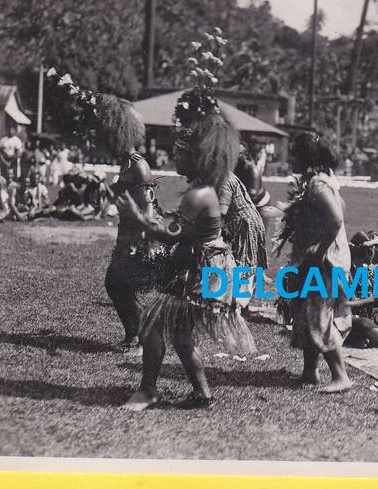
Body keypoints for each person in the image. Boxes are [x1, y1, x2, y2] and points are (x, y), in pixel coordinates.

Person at [117, 113, 257, 411]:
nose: (173, 157)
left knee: (152, 324)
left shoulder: (199, 194)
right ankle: (201, 394)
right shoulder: (203, 190)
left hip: (199, 271)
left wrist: (138, 217)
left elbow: (171, 235)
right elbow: (178, 227)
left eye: (179, 153)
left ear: (197, 157)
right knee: (179, 334)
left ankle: (148, 391)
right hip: (205, 268)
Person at [275, 131, 353, 393]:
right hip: (325, 256)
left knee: (318, 313)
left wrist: (318, 251)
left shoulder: (318, 185)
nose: (289, 159)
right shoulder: (321, 180)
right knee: (308, 310)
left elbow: (336, 219)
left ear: (305, 157)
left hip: (326, 260)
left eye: (293, 154)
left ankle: (341, 376)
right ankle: (310, 372)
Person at [96, 95, 165, 352]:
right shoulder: (125, 163)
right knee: (117, 285)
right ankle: (134, 335)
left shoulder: (139, 166)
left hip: (139, 237)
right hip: (125, 234)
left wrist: (147, 242)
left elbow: (149, 205)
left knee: (118, 283)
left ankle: (144, 338)